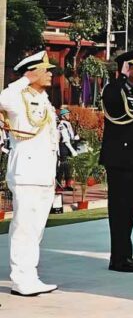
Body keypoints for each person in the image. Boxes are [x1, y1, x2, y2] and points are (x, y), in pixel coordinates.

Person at [0, 51, 59, 296]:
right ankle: (20, 279)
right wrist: (24, 79)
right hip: (26, 171)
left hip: (44, 172)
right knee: (24, 226)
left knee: (36, 229)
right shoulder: (17, 96)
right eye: (45, 70)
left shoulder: (43, 98)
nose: (50, 74)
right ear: (31, 72)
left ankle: (30, 274)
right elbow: (2, 98)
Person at [100, 50, 133, 273]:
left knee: (131, 208)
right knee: (119, 209)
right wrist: (121, 79)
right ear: (125, 68)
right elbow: (117, 110)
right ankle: (117, 258)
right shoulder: (114, 89)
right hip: (120, 160)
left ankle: (126, 254)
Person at [56, 107, 78, 191]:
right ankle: (58, 185)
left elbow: (71, 136)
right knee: (63, 166)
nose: (69, 116)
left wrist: (75, 137)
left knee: (68, 166)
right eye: (67, 114)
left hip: (68, 147)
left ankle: (68, 184)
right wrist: (72, 150)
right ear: (63, 116)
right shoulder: (62, 125)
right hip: (63, 147)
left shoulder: (67, 124)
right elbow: (66, 140)